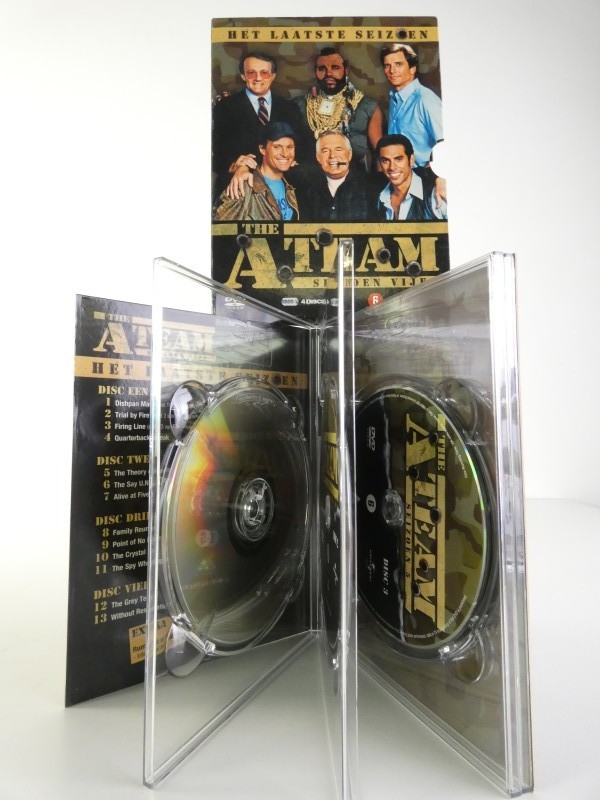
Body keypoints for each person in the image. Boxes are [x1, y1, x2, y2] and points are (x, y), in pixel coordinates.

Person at [212, 51, 305, 193]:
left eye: (264, 73)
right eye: (251, 73)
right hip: (239, 186)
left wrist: (292, 161)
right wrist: (235, 165)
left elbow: (301, 148)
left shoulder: (290, 108)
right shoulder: (224, 108)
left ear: (273, 76)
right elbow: (216, 153)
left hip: (282, 185)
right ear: (243, 75)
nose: (258, 78)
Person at [293, 47, 382, 170]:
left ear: (346, 71)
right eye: (322, 69)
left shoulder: (367, 106)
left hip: (355, 176)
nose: (328, 73)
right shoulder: (299, 105)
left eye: (335, 68)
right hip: (309, 174)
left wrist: (380, 179)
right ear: (315, 72)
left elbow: (380, 152)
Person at [213, 121, 299, 221]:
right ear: (262, 149)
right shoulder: (243, 185)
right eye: (277, 147)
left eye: (289, 147)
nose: (285, 154)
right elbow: (220, 227)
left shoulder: (291, 184)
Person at [380, 43, 443, 168]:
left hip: (422, 174)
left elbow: (446, 144)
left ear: (412, 69)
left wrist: (429, 174)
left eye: (398, 64)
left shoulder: (425, 99)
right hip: (399, 174)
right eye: (387, 65)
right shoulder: (394, 98)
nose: (392, 71)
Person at [299, 130, 376, 222]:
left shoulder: (368, 188)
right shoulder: (308, 191)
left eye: (338, 149)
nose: (332, 155)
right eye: (325, 151)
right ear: (318, 157)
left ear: (349, 154)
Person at [375, 134, 446, 221]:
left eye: (398, 159)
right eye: (385, 161)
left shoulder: (437, 194)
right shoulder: (376, 195)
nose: (392, 167)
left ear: (411, 160)